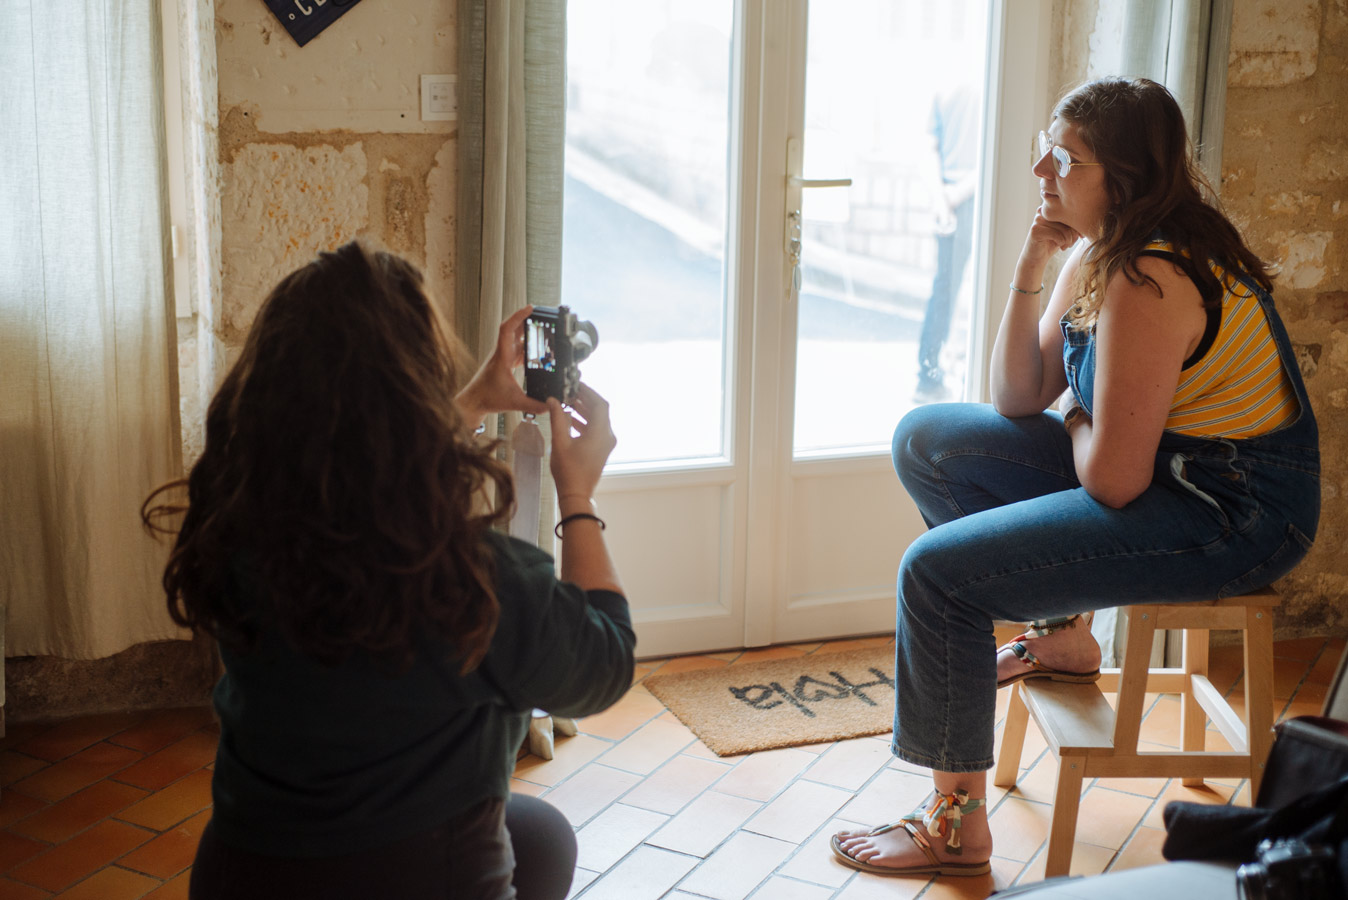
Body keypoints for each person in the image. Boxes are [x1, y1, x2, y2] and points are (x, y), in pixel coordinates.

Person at [832, 77, 1320, 877]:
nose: (1042, 172)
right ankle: (1062, 633)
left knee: (937, 576)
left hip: (1235, 510)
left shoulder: (1150, 277)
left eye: (1066, 158)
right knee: (929, 440)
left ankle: (954, 824)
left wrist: (1079, 418)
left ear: (1123, 177)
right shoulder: (1102, 252)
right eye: (1045, 151)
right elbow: (1017, 394)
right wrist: (1035, 256)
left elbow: (1114, 483)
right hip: (1162, 469)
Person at [141, 242, 635, 900]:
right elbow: (605, 664)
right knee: (543, 839)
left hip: (244, 875)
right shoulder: (477, 581)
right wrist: (577, 498)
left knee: (540, 835)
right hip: (415, 879)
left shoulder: (233, 536)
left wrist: (475, 400)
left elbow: (351, 470)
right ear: (414, 394)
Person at [914, 78, 981, 403]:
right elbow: (991, 154)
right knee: (968, 289)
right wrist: (952, 197)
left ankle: (929, 376)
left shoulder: (945, 87)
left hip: (949, 197)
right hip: (969, 198)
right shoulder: (983, 88)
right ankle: (944, 377)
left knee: (945, 288)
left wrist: (940, 198)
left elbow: (927, 149)